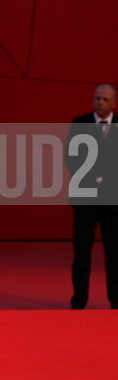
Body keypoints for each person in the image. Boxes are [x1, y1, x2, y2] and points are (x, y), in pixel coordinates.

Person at [67, 84, 118, 309]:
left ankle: (116, 301)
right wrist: (91, 179)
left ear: (113, 103)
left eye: (105, 99)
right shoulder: (80, 123)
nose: (100, 103)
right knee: (81, 253)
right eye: (97, 98)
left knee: (114, 254)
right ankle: (79, 301)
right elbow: (71, 157)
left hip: (113, 200)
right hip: (85, 197)